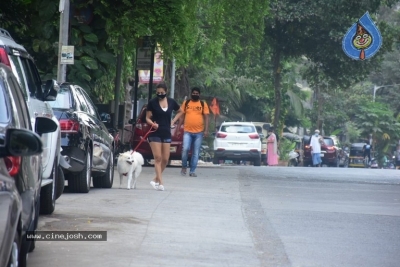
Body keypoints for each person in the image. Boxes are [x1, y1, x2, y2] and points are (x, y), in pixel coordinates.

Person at [146, 83, 184, 191]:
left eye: (162, 93)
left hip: (166, 131)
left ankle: (155, 180)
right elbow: (147, 118)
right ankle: (161, 182)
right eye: (158, 93)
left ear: (166, 91)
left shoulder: (171, 102)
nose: (160, 94)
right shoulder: (152, 102)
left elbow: (181, 111)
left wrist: (173, 121)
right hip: (155, 132)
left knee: (165, 159)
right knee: (157, 158)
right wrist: (152, 124)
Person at [176, 87, 210, 177]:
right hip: (187, 131)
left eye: (197, 93)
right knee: (185, 149)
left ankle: (192, 171)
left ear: (199, 94)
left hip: (199, 132)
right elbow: (181, 117)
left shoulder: (203, 104)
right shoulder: (186, 103)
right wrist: (178, 128)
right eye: (193, 93)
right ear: (191, 93)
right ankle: (184, 167)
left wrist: (206, 130)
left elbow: (206, 117)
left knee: (196, 152)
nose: (195, 94)